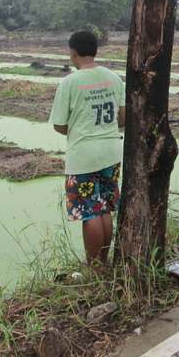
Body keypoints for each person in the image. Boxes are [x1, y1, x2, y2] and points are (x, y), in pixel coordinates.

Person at [49, 31, 126, 272]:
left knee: (89, 212)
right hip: (111, 152)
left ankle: (94, 267)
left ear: (73, 52)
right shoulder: (113, 78)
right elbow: (122, 118)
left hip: (84, 157)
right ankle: (103, 264)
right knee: (104, 208)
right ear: (95, 50)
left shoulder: (70, 82)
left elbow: (60, 125)